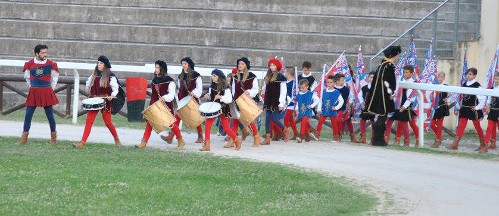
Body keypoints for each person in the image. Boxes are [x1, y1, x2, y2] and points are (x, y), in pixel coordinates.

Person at [74, 56, 121, 149]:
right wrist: (88, 90)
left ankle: (116, 139)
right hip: (94, 101)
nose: (99, 65)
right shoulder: (94, 75)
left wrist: (112, 95)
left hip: (105, 101)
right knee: (89, 121)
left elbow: (116, 88)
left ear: (105, 65)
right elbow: (87, 85)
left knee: (108, 122)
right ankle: (82, 142)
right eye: (98, 63)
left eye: (101, 63)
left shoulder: (111, 76)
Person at [136, 60, 184, 149]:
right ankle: (144, 142)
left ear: (162, 69)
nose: (156, 69)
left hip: (166, 106)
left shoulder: (169, 81)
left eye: (158, 67)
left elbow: (171, 95)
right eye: (155, 67)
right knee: (150, 123)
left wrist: (164, 98)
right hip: (155, 105)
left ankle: (180, 140)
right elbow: (153, 96)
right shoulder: (154, 81)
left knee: (171, 124)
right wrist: (151, 106)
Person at [19, 44, 59, 145]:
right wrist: (32, 86)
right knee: (28, 115)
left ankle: (53, 139)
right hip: (34, 92)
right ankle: (24, 139)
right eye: (43, 53)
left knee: (50, 116)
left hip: (46, 91)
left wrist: (51, 88)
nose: (45, 54)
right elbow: (27, 77)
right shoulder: (29, 64)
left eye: (46, 52)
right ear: (37, 54)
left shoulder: (51, 64)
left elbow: (55, 77)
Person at [161, 57, 204, 144]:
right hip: (183, 99)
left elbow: (199, 88)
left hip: (193, 99)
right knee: (177, 117)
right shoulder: (181, 76)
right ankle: (171, 136)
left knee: (195, 116)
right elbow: (180, 88)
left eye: (185, 64)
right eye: (182, 64)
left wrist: (193, 93)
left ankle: (200, 136)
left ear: (189, 64)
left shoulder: (196, 75)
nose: (183, 66)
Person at [364, 45, 400, 146]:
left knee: (381, 117)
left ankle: (378, 139)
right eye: (396, 55)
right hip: (384, 95)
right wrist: (391, 93)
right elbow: (388, 82)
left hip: (379, 94)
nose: (397, 57)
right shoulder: (387, 66)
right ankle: (378, 140)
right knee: (382, 116)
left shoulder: (382, 65)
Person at [201, 69, 242, 151]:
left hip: (223, 108)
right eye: (212, 76)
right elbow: (211, 96)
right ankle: (207, 145)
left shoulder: (225, 88)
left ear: (219, 77)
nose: (212, 77)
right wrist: (207, 96)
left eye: (214, 76)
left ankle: (237, 140)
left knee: (226, 127)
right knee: (208, 125)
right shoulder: (212, 86)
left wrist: (220, 97)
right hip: (214, 109)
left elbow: (229, 99)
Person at [448, 68, 486, 152]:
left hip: (472, 109)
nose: (468, 75)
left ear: (475, 75)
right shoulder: (464, 84)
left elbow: (483, 98)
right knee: (461, 126)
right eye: (467, 74)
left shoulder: (477, 86)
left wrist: (477, 107)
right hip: (464, 108)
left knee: (477, 126)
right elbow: (459, 95)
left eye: (470, 74)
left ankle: (483, 145)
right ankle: (455, 144)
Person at [231, 57, 261, 147]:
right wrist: (233, 100)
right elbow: (233, 89)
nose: (240, 65)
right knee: (235, 120)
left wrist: (249, 92)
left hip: (246, 100)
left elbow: (256, 89)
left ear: (246, 66)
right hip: (236, 100)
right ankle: (233, 140)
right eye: (239, 64)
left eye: (242, 64)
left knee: (248, 119)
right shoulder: (236, 77)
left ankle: (256, 137)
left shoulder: (252, 76)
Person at [261, 58, 289, 145]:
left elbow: (283, 91)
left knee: (273, 117)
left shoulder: (281, 77)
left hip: (276, 100)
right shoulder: (268, 76)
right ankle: (268, 138)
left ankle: (284, 129)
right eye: (271, 65)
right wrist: (261, 91)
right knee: (267, 119)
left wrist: (281, 103)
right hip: (268, 100)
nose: (272, 67)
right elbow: (266, 87)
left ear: (277, 66)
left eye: (274, 65)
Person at [391, 65, 419, 147]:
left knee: (412, 123)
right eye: (404, 72)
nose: (404, 74)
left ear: (411, 73)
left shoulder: (413, 83)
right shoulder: (400, 79)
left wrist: (404, 106)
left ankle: (416, 139)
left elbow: (411, 96)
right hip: (399, 103)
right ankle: (398, 139)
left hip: (409, 106)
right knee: (400, 122)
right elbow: (396, 91)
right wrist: (393, 96)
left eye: (407, 72)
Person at [315, 75, 344, 141]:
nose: (329, 84)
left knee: (334, 124)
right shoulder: (324, 91)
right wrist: (319, 109)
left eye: (331, 82)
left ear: (334, 83)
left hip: (332, 110)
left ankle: (336, 136)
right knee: (320, 122)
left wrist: (336, 108)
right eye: (328, 82)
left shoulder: (336, 92)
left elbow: (341, 101)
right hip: (324, 110)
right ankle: (317, 135)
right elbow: (320, 101)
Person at [334, 73, 359, 143]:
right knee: (338, 120)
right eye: (342, 80)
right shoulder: (333, 88)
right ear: (337, 81)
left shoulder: (346, 89)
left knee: (348, 120)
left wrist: (349, 103)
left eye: (343, 80)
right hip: (335, 108)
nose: (343, 81)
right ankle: (337, 134)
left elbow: (351, 96)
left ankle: (352, 136)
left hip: (345, 107)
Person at [297, 61, 318, 138]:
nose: (307, 72)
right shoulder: (299, 77)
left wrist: (312, 103)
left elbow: (314, 90)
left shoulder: (312, 79)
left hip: (308, 100)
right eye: (305, 70)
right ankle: (309, 132)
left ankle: (302, 134)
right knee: (302, 118)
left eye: (308, 70)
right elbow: (297, 87)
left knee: (305, 118)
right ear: (302, 69)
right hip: (300, 98)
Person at [430, 72, 451, 148]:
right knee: (431, 123)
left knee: (439, 124)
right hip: (434, 108)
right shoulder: (433, 85)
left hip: (442, 107)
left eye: (441, 77)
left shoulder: (445, 86)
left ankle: (438, 139)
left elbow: (451, 95)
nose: (440, 78)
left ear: (444, 78)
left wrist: (448, 100)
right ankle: (440, 136)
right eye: (439, 77)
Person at [357, 71, 376, 144]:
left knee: (373, 122)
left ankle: (373, 138)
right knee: (362, 120)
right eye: (371, 77)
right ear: (368, 78)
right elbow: (360, 95)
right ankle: (363, 138)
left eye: (374, 77)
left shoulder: (377, 88)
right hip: (365, 107)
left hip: (374, 108)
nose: (372, 79)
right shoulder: (364, 88)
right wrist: (362, 103)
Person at [483, 72, 499, 151]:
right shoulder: (492, 89)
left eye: (497, 79)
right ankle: (486, 145)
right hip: (492, 111)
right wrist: (487, 107)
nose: (495, 80)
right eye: (494, 79)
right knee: (489, 128)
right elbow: (489, 100)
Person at [284, 66, 299, 140]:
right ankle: (296, 133)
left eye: (285, 72)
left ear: (288, 73)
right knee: (291, 120)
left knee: (286, 118)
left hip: (292, 103)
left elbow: (295, 94)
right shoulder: (286, 82)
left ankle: (286, 133)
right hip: (287, 103)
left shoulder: (294, 83)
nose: (284, 73)